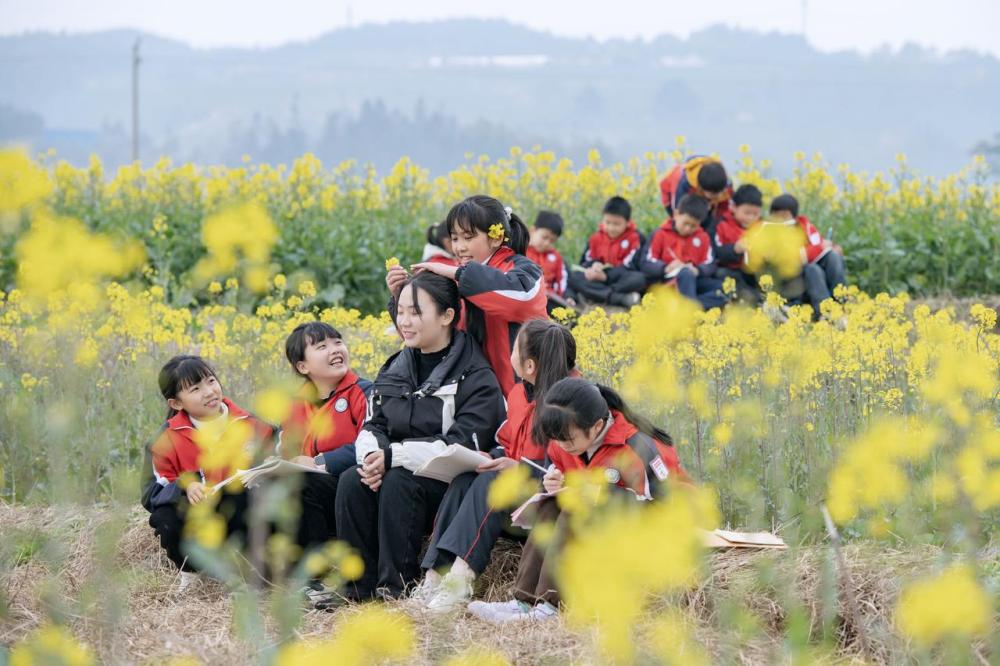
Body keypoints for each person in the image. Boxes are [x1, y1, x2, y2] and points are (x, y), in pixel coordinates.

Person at [334, 272, 506, 601]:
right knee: (352, 480)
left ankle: (396, 586)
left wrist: (392, 457)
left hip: (446, 485)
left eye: (415, 312)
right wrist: (372, 460)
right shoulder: (396, 366)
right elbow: (373, 424)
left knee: (398, 480)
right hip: (395, 468)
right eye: (400, 311)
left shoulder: (475, 376)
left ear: (447, 316)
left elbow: (460, 445)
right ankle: (356, 587)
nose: (404, 321)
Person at [467, 377, 688, 623]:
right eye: (556, 439)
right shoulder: (564, 440)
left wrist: (600, 494)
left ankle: (551, 605)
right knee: (551, 504)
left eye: (568, 440)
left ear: (596, 426)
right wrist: (551, 481)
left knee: (576, 505)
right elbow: (559, 475)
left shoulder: (637, 448)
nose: (561, 446)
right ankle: (524, 601)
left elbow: (664, 508)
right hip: (597, 528)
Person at [414, 319, 578, 612]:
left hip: (545, 504)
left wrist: (520, 470)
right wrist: (490, 456)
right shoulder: (519, 394)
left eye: (514, 350)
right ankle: (434, 577)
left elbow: (567, 464)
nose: (509, 354)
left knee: (494, 482)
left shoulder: (569, 403)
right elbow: (506, 441)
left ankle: (461, 579)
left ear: (530, 366)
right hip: (517, 495)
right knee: (465, 480)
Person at [388, 194, 548, 395]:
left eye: (468, 237)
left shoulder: (523, 270)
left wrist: (458, 274)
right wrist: (401, 297)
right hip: (480, 399)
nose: (459, 247)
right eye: (455, 238)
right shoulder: (458, 278)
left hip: (529, 395)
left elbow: (522, 299)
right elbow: (428, 335)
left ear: (496, 238)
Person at [140, 355, 275, 589]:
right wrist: (185, 486)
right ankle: (192, 572)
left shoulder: (253, 425)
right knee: (165, 516)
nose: (209, 392)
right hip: (197, 520)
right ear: (176, 404)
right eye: (195, 389)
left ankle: (249, 569)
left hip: (242, 517)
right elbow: (151, 492)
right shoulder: (164, 440)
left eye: (211, 381)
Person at [277, 322, 371, 594]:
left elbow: (372, 443)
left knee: (303, 483)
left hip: (356, 490)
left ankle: (319, 576)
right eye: (322, 346)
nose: (335, 350)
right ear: (302, 366)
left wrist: (320, 462)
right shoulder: (295, 406)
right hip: (317, 495)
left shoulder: (364, 392)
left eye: (338, 342)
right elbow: (287, 453)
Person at [642, 194, 727, 309]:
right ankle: (691, 309)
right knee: (685, 274)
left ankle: (690, 307)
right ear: (676, 214)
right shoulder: (660, 234)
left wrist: (698, 270)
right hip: (668, 282)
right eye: (685, 223)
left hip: (694, 280)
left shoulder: (703, 237)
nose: (688, 229)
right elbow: (646, 262)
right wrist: (665, 267)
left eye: (693, 226)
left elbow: (710, 263)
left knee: (727, 289)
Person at [769, 194, 846, 317]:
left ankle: (842, 304)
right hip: (793, 277)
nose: (781, 219)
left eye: (784, 215)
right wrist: (820, 247)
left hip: (810, 268)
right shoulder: (771, 232)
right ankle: (826, 313)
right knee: (813, 269)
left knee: (833, 257)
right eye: (777, 215)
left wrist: (832, 247)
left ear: (794, 216)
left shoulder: (806, 227)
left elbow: (819, 244)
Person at [566, 196, 646, 307]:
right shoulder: (595, 238)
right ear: (602, 220)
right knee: (574, 276)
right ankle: (619, 298)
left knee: (639, 279)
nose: (611, 228)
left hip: (619, 280)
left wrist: (606, 276)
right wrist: (594, 266)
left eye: (616, 224)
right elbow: (585, 262)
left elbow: (632, 266)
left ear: (628, 222)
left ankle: (597, 293)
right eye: (607, 222)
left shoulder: (635, 238)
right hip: (597, 278)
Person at [714, 184, 764, 303]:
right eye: (747, 213)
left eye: (755, 214)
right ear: (733, 207)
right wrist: (734, 249)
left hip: (754, 272)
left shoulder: (762, 227)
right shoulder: (722, 226)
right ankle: (754, 299)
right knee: (722, 274)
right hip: (733, 270)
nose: (751, 218)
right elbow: (715, 253)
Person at [659, 155, 732, 232]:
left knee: (709, 225)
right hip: (671, 194)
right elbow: (678, 212)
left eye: (719, 192)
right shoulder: (683, 184)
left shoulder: (725, 183)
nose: (718, 196)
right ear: (701, 188)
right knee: (683, 222)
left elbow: (724, 211)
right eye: (713, 194)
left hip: (702, 197)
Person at [525, 210, 572, 311]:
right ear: (532, 230)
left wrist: (565, 296)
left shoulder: (556, 257)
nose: (547, 243)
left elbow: (561, 280)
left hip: (548, 298)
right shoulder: (521, 249)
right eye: (544, 237)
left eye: (552, 241)